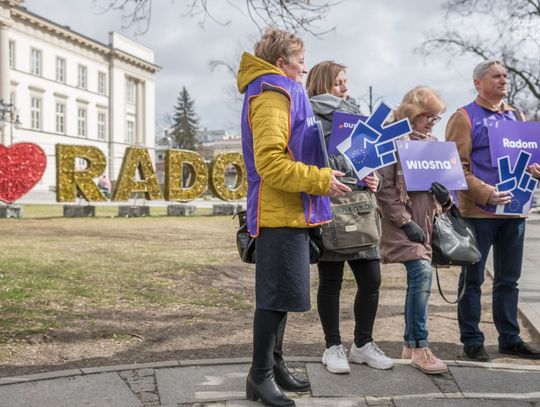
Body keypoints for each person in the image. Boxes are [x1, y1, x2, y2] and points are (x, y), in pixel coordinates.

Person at [237, 28, 352, 407]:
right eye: (300, 61)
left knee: (283, 296)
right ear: (280, 63)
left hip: (291, 211)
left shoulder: (282, 91)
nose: (305, 68)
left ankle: (274, 365)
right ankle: (259, 376)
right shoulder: (272, 95)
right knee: (273, 298)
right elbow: (270, 163)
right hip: (278, 214)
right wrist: (320, 180)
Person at [446, 60, 540, 361]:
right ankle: (472, 341)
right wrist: (486, 193)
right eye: (496, 76)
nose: (504, 80)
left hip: (514, 211)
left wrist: (535, 169)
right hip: (479, 214)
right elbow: (456, 168)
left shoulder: (516, 115)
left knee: (508, 281)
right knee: (472, 280)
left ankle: (510, 339)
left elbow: (527, 159)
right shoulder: (464, 117)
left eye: (505, 76)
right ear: (478, 83)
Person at [306, 61, 393, 374]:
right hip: (330, 206)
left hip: (361, 207)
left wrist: (373, 177)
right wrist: (340, 172)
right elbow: (308, 160)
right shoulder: (308, 116)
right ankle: (332, 347)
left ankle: (363, 344)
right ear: (322, 84)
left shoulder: (357, 116)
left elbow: (369, 160)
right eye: (338, 83)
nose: (345, 88)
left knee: (371, 279)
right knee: (331, 281)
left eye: (345, 81)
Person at [377, 86, 451, 375]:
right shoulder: (394, 142)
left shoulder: (434, 145)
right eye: (428, 115)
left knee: (420, 278)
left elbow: (447, 192)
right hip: (405, 225)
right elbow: (384, 190)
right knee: (421, 274)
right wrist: (406, 222)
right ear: (412, 113)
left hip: (427, 225)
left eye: (436, 116)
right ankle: (420, 347)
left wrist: (446, 198)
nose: (433, 121)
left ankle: (410, 345)